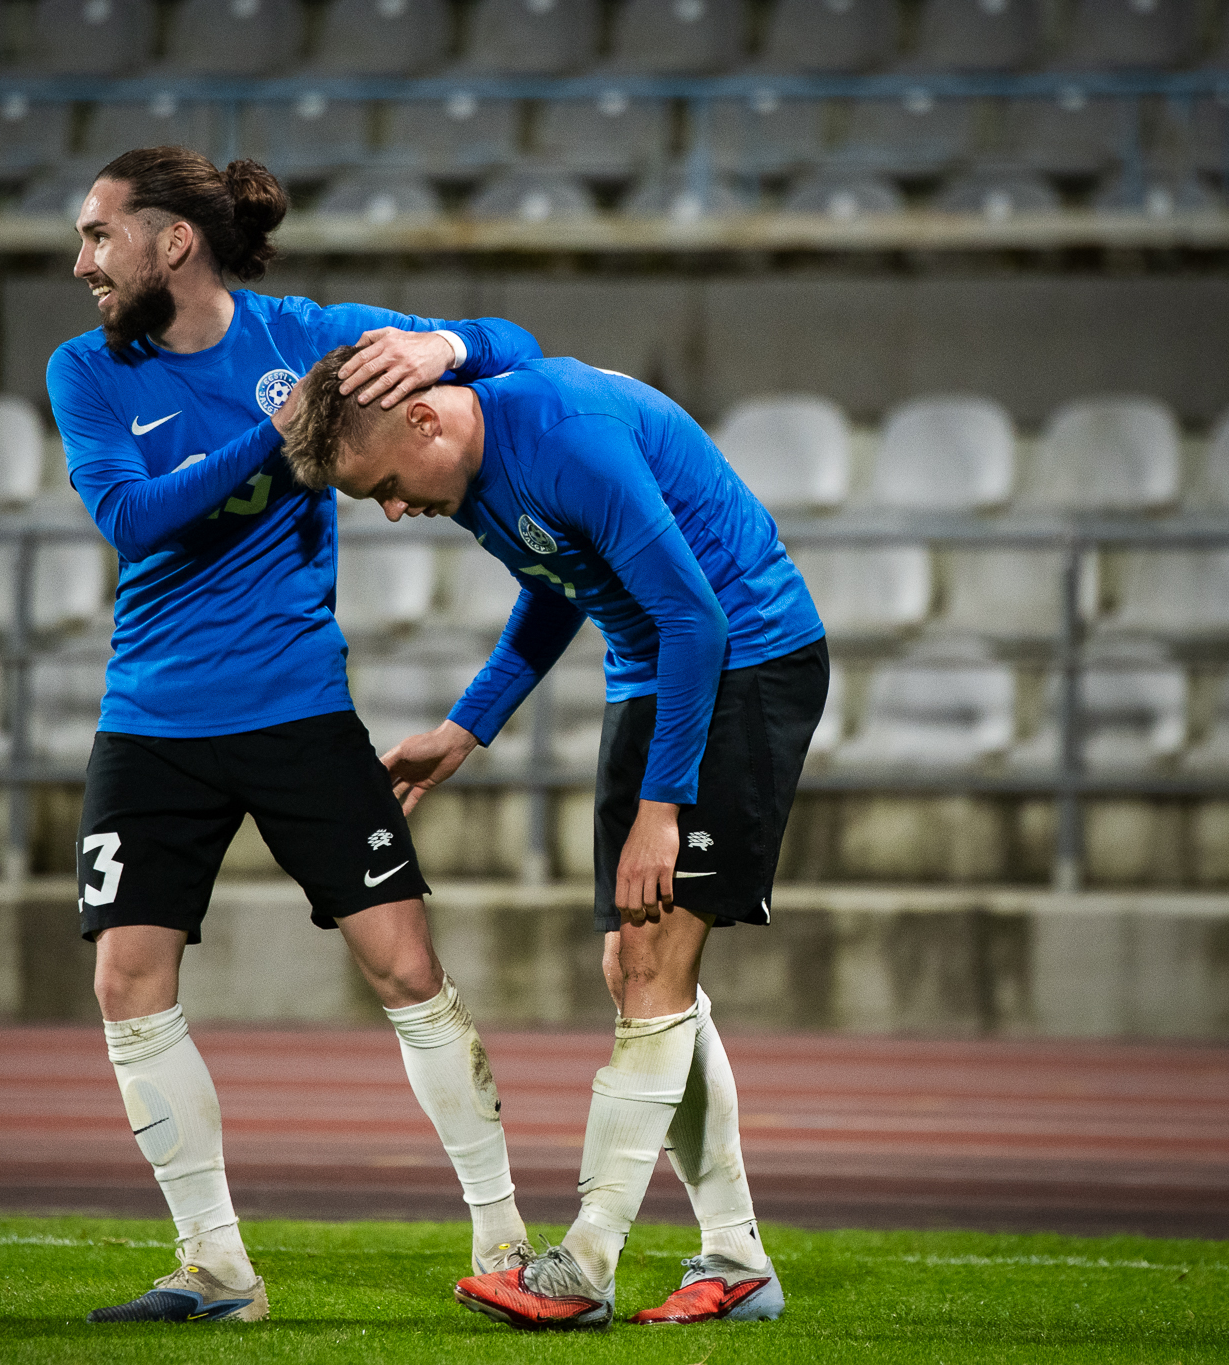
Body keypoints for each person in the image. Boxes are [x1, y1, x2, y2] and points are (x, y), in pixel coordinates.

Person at [48, 148, 545, 1324]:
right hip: (152, 719)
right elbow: (130, 518)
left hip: (299, 709)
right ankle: (214, 1266)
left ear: (174, 241)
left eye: (97, 236)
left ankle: (507, 1244)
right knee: (126, 979)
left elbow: (514, 345)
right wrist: (285, 438)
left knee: (405, 967)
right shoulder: (88, 371)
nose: (82, 264)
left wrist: (438, 349)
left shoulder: (307, 334)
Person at [281, 346, 829, 1330]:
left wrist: (662, 808)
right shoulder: (480, 475)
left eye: (390, 490)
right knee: (631, 967)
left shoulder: (566, 438)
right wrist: (466, 726)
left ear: (423, 424)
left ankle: (581, 1268)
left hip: (740, 660)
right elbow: (556, 585)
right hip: (650, 672)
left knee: (655, 955)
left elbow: (695, 616)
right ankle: (735, 1258)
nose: (396, 511)